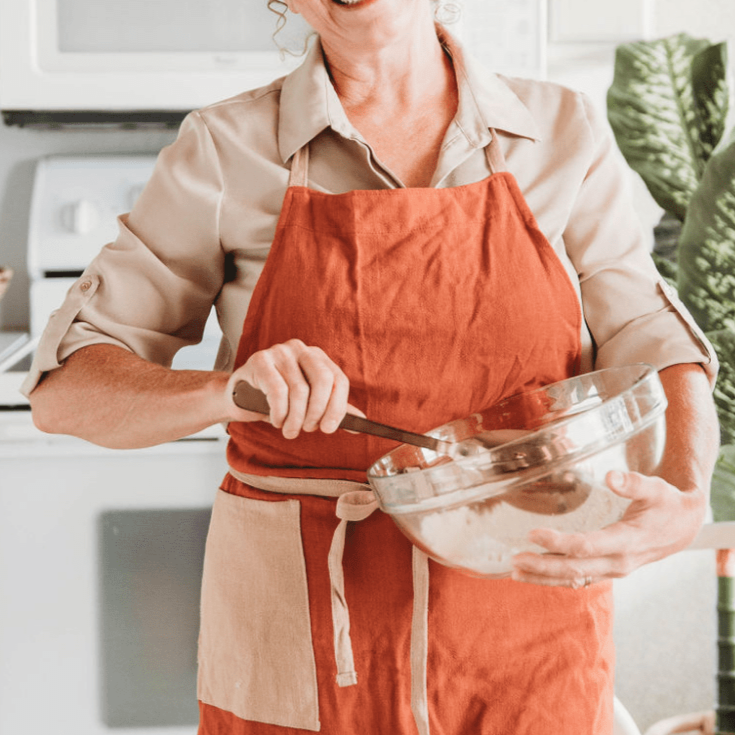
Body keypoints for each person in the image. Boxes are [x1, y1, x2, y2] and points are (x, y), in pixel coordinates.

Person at [24, 0, 720, 733]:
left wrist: (682, 485)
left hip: (525, 632)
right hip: (304, 642)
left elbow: (645, 327)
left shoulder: (559, 129)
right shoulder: (224, 148)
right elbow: (67, 391)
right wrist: (227, 389)